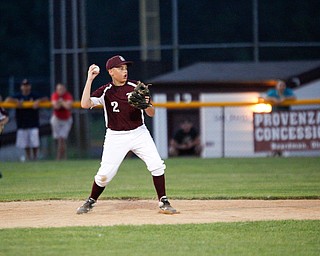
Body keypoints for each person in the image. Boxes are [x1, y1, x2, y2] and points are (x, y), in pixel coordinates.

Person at [76, 55, 178, 215]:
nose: (125, 71)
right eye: (120, 68)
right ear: (110, 71)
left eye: (125, 68)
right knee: (104, 175)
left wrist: (145, 104)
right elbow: (84, 104)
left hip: (139, 133)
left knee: (157, 164)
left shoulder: (136, 86)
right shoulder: (106, 91)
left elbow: (151, 113)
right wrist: (89, 79)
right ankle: (91, 200)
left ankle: (163, 201)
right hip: (115, 137)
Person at [5, 79, 47, 161]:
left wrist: (38, 101)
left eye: (27, 85)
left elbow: (45, 98)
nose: (25, 87)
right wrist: (16, 101)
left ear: (30, 86)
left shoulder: (34, 95)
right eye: (24, 85)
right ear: (21, 87)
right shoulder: (18, 96)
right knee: (25, 143)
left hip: (33, 122)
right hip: (22, 123)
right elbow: (7, 99)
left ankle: (35, 157)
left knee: (34, 142)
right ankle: (28, 157)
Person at [264, 80, 297, 156]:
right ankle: (273, 150)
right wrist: (273, 99)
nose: (282, 87)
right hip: (275, 117)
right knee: (274, 133)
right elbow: (265, 98)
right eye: (280, 85)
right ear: (276, 87)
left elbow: (294, 97)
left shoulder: (287, 91)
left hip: (285, 117)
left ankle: (281, 150)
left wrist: (285, 98)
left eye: (283, 85)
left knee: (284, 133)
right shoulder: (272, 92)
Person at [50, 83, 73, 160]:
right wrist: (62, 103)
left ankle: (60, 157)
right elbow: (56, 106)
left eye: (62, 89)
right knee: (59, 139)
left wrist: (61, 102)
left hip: (66, 119)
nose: (60, 91)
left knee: (62, 138)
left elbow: (68, 106)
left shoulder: (67, 95)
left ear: (64, 89)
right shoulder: (55, 95)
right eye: (59, 89)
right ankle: (62, 157)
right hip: (57, 119)